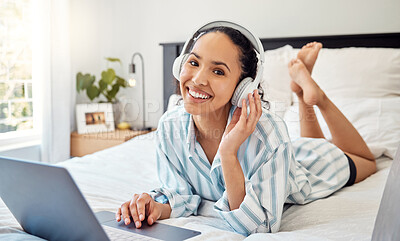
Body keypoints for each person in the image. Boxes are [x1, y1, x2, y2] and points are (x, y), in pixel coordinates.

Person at [116, 24, 376, 236]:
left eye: (218, 71)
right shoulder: (170, 126)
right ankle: (300, 90)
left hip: (306, 170)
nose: (198, 79)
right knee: (314, 142)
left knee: (366, 161)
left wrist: (228, 152)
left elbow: (259, 226)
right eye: (193, 63)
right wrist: (157, 207)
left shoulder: (269, 132)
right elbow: (182, 194)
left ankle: (316, 96)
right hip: (287, 156)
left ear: (244, 87)